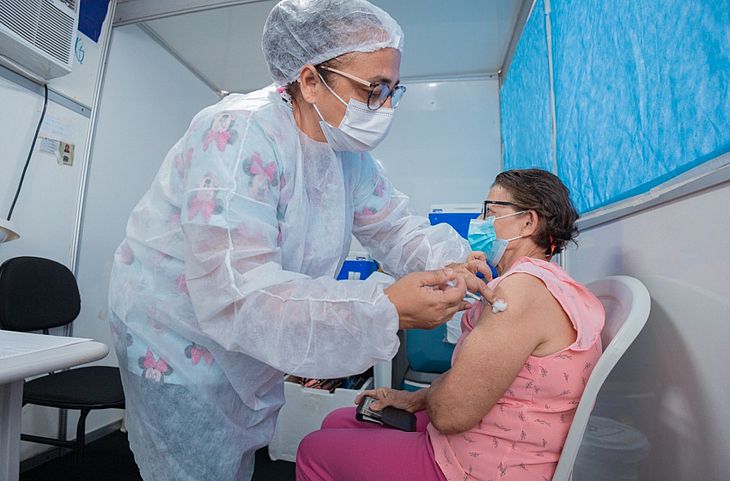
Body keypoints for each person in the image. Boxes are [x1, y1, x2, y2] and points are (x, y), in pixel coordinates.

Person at [107, 1, 492, 480]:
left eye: (394, 90)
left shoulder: (345, 155)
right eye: (374, 89)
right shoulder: (236, 133)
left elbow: (395, 226)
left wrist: (456, 260)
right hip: (175, 334)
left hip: (245, 336)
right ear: (310, 81)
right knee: (193, 463)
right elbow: (237, 289)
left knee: (238, 450)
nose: (386, 107)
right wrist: (384, 306)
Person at [296, 169, 606, 481]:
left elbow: (450, 414)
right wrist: (412, 398)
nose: (481, 222)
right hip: (485, 440)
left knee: (313, 449)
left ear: (528, 222)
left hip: (482, 467)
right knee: (339, 419)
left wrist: (430, 396)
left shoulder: (522, 290)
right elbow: (476, 381)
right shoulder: (548, 284)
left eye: (491, 212)